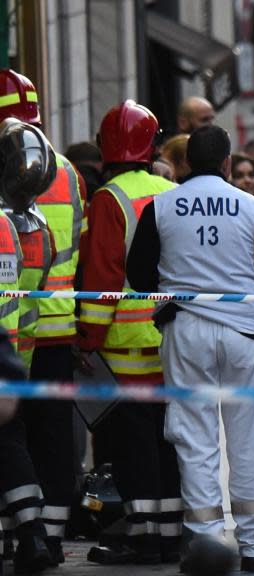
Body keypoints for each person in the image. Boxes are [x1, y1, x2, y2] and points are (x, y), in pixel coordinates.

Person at [126, 125, 254, 573]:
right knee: (249, 440)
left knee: (195, 440)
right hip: (245, 335)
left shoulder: (160, 207)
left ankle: (204, 547)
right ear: (225, 162)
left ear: (183, 163)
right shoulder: (251, 206)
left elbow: (138, 276)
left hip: (186, 331)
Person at [77, 100, 181, 564]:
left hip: (124, 349)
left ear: (105, 148)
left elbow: (102, 280)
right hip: (171, 341)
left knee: (133, 447)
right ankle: (171, 532)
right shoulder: (170, 190)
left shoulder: (109, 198)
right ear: (152, 145)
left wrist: (87, 343)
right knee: (167, 441)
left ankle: (143, 537)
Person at [0, 67, 88, 566]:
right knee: (52, 437)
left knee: (13, 437)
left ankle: (23, 535)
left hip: (14, 329)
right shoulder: (67, 172)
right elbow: (74, 241)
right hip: (52, 325)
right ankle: (49, 534)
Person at [0, 118, 58, 574]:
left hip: (5, 350)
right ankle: (29, 532)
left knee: (9, 444)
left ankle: (28, 535)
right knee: (13, 442)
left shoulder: (4, 225)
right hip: (23, 353)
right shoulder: (38, 226)